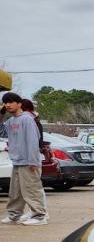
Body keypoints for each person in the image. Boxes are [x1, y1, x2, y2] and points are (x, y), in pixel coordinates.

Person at [3, 91, 48, 225]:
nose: (7, 105)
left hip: (29, 161)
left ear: (19, 104)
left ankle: (39, 216)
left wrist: (33, 160)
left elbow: (33, 141)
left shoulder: (27, 119)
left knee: (31, 189)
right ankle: (14, 215)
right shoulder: (11, 121)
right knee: (15, 192)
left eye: (11, 102)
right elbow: (1, 132)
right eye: (5, 103)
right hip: (17, 161)